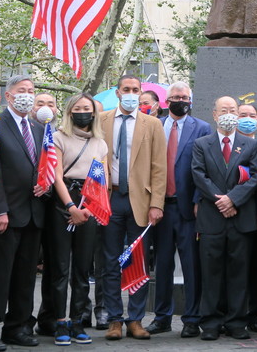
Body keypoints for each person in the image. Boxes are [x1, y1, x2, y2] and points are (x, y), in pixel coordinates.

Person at [0, 75, 46, 352]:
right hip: (5, 216)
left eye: (31, 90)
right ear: (8, 96)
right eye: (21, 90)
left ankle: (17, 327)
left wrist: (45, 184)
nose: (27, 95)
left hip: (33, 214)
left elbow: (43, 164)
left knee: (25, 278)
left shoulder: (38, 128)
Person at [99, 75, 167, 341]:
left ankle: (135, 319)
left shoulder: (153, 124)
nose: (130, 93)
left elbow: (159, 167)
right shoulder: (101, 120)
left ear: (140, 93)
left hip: (141, 201)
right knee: (110, 261)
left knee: (138, 262)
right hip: (110, 198)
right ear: (118, 92)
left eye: (135, 89)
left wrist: (156, 204)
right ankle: (115, 320)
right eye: (125, 89)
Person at [191, 96, 257, 340]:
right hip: (212, 218)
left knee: (239, 273)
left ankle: (237, 322)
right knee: (210, 273)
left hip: (240, 218)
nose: (228, 114)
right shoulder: (201, 144)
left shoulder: (250, 145)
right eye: (224, 110)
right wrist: (220, 201)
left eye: (233, 110)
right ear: (214, 115)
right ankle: (211, 323)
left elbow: (255, 176)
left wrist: (232, 199)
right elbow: (198, 175)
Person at [146, 82, 210, 338]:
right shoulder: (154, 126)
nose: (180, 100)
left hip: (188, 209)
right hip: (160, 208)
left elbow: (205, 169)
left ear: (190, 100)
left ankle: (192, 319)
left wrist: (198, 201)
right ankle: (161, 317)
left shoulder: (202, 128)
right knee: (162, 266)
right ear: (167, 100)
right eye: (175, 96)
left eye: (184, 97)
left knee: (192, 266)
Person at [47, 94, 108, 346]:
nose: (83, 112)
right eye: (78, 108)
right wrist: (70, 207)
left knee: (82, 269)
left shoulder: (100, 143)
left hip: (90, 203)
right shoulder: (58, 138)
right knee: (60, 268)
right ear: (70, 112)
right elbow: (56, 176)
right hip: (64, 202)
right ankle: (60, 321)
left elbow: (102, 179)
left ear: (93, 113)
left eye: (87, 108)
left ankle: (77, 320)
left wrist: (92, 208)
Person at [236, 104, 257, 333]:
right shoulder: (225, 144)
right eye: (242, 115)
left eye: (252, 115)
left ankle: (255, 316)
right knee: (235, 268)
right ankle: (232, 314)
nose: (247, 119)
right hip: (231, 211)